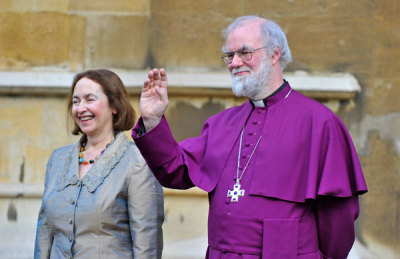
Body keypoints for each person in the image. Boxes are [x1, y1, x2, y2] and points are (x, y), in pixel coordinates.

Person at [132, 15, 367, 258]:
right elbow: (175, 169)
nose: (234, 62)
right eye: (229, 55)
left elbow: (338, 219)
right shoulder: (221, 123)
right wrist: (152, 119)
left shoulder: (320, 123)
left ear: (275, 54)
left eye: (245, 53)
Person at [34, 69, 164, 258]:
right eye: (76, 101)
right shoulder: (58, 159)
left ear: (114, 106)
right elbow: (45, 232)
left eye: (90, 99)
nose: (80, 108)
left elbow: (147, 246)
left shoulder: (138, 163)